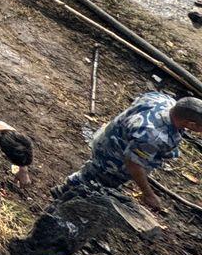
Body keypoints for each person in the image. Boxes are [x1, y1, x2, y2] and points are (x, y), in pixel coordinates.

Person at [59, 91, 202, 215]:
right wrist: (148, 194)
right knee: (93, 182)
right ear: (190, 124)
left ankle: (70, 189)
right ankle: (63, 199)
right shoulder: (153, 135)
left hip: (111, 136)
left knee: (91, 173)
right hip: (113, 159)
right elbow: (134, 164)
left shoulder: (163, 99)